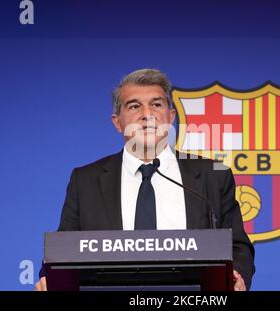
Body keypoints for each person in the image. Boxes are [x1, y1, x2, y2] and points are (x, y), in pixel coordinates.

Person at [35, 69, 255, 291]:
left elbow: (237, 245)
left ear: (171, 116)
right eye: (134, 106)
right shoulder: (86, 181)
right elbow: (63, 251)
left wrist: (237, 275)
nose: (147, 114)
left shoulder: (213, 176)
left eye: (156, 105)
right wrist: (48, 280)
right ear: (117, 122)